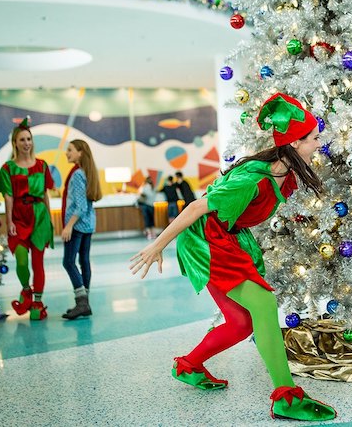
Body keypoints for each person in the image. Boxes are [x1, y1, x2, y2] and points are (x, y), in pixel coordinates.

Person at [128, 93, 336, 421]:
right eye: (314, 139)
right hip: (207, 240)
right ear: (295, 143)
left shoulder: (287, 173)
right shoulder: (251, 180)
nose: (319, 144)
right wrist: (158, 245)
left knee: (241, 323)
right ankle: (286, 396)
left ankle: (189, 366)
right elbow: (197, 207)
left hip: (228, 237)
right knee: (264, 303)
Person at [0, 118, 54, 320]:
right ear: (15, 143)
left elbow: (45, 194)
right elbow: (8, 196)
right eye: (22, 139)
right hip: (19, 216)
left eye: (29, 139)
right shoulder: (7, 168)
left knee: (38, 263)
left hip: (39, 216)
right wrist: (9, 221)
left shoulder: (42, 165)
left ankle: (37, 301)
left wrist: (50, 219)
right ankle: (25, 290)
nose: (26, 143)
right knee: (21, 261)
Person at [61, 139, 103, 320]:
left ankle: (82, 302)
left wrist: (68, 226)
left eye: (70, 150)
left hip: (77, 225)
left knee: (68, 262)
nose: (66, 153)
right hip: (88, 224)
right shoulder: (88, 173)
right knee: (84, 261)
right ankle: (85, 303)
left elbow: (80, 207)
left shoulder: (78, 174)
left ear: (80, 153)